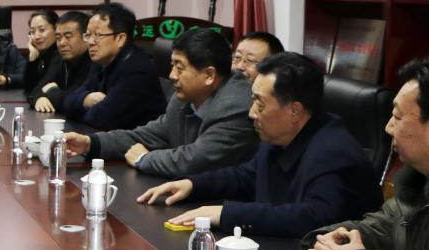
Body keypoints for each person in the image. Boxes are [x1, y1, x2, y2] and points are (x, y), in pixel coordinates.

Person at [138, 53, 381, 237]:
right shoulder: (279, 135)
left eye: (260, 104)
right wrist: (192, 185)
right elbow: (246, 176)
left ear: (294, 110)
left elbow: (314, 217)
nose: (252, 113)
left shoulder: (333, 151)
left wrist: (226, 214)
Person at [303, 57, 429, 250]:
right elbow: (379, 228)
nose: (388, 127)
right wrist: (328, 242)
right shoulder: (415, 185)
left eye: (397, 116)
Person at [65, 27, 257, 177]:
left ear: (209, 75)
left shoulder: (236, 106)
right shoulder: (183, 98)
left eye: (180, 68)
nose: (172, 75)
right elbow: (146, 136)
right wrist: (90, 143)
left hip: (227, 207)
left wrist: (143, 158)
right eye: (172, 66)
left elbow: (194, 161)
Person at [61, 3, 166, 130]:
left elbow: (99, 120)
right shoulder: (100, 62)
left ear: (120, 39)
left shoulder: (137, 71)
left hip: (140, 141)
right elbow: (68, 102)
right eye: (88, 35)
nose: (91, 42)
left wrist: (78, 109)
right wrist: (86, 99)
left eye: (98, 35)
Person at [32, 11, 92, 113]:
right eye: (58, 38)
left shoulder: (94, 61)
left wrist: (51, 92)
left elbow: (74, 101)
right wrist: (39, 98)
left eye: (68, 37)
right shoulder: (60, 59)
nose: (62, 43)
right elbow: (37, 89)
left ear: (86, 37)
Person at [23, 10, 60, 107]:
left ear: (56, 29)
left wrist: (36, 97)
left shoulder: (60, 54)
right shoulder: (42, 53)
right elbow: (28, 89)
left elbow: (40, 88)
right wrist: (32, 58)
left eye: (42, 30)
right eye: (32, 32)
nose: (36, 36)